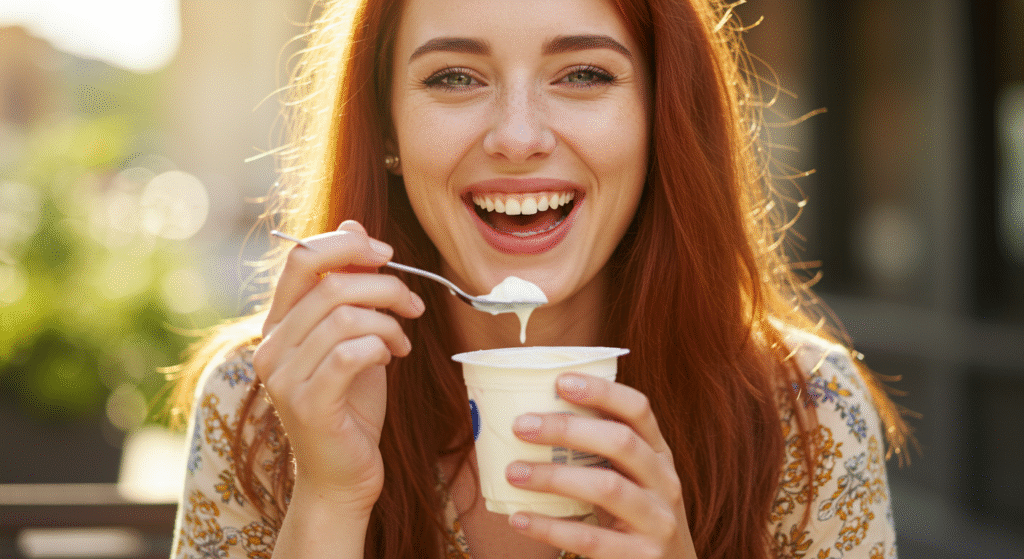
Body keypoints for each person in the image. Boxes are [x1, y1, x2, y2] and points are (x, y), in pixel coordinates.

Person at [169, 0, 914, 557]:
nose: (518, 137)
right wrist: (328, 500)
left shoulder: (807, 412)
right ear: (387, 127)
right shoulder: (264, 403)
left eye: (585, 74)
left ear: (660, 115)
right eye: (454, 77)